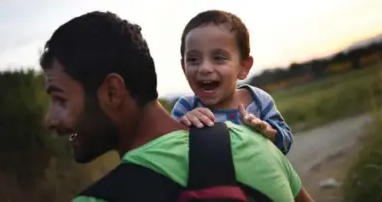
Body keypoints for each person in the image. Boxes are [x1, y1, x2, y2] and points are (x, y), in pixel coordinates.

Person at [41, 11, 313, 202]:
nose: (50, 120)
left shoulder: (98, 199)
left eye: (60, 99)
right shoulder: (255, 145)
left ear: (113, 91)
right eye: (193, 59)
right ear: (183, 65)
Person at [171, 10, 293, 154]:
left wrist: (267, 132)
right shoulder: (186, 107)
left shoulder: (259, 101)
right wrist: (184, 127)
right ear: (183, 67)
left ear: (243, 67)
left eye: (218, 57)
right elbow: (169, 151)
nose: (204, 68)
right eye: (193, 59)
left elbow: (286, 143)